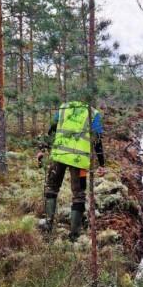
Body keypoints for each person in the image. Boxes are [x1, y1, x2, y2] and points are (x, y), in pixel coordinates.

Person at [40, 100, 105, 241]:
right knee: (79, 194)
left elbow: (51, 130)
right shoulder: (94, 113)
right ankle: (74, 234)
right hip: (79, 161)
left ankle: (49, 224)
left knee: (51, 188)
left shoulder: (63, 108)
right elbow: (98, 140)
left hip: (58, 156)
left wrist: (43, 149)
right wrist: (102, 164)